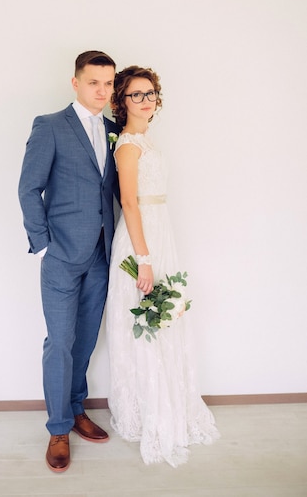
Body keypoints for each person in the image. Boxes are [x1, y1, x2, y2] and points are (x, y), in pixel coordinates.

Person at [106, 65, 219, 466]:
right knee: (145, 324)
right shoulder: (127, 147)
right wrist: (145, 260)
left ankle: (172, 399)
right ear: (121, 101)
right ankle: (147, 409)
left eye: (150, 92)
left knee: (167, 320)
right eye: (136, 94)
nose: (146, 99)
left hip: (161, 230)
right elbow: (130, 203)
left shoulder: (147, 141)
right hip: (141, 240)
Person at [18, 50, 121, 473]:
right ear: (75, 82)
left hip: (102, 252)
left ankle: (77, 410)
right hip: (61, 253)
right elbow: (29, 188)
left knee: (84, 340)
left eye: (108, 83)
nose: (102, 90)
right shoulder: (50, 126)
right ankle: (59, 427)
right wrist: (43, 245)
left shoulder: (115, 130)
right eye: (94, 82)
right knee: (58, 342)